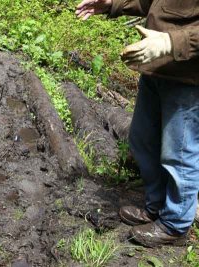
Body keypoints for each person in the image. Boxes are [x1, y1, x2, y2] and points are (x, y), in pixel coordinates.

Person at [76, 0, 199, 247]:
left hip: (188, 78)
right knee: (143, 139)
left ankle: (175, 224)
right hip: (155, 68)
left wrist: (169, 43)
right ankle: (155, 207)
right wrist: (112, 4)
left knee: (179, 153)